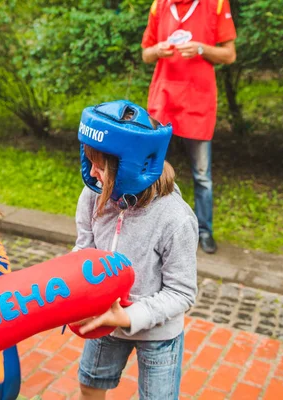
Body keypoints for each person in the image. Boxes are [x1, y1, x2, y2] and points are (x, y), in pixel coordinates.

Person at [71, 100, 198, 400]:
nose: (92, 173)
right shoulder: (93, 196)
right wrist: (70, 289)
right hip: (105, 320)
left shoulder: (176, 219)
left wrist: (128, 316)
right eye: (89, 161)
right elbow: (84, 249)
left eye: (100, 166)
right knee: (90, 385)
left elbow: (181, 293)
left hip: (158, 333)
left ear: (130, 167)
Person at [141, 0, 237, 254]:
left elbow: (229, 54)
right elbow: (145, 53)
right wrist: (157, 49)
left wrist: (201, 49)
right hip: (164, 100)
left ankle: (204, 231)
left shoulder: (215, 4)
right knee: (155, 170)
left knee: (202, 175)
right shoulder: (159, 5)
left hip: (197, 101)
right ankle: (153, 229)